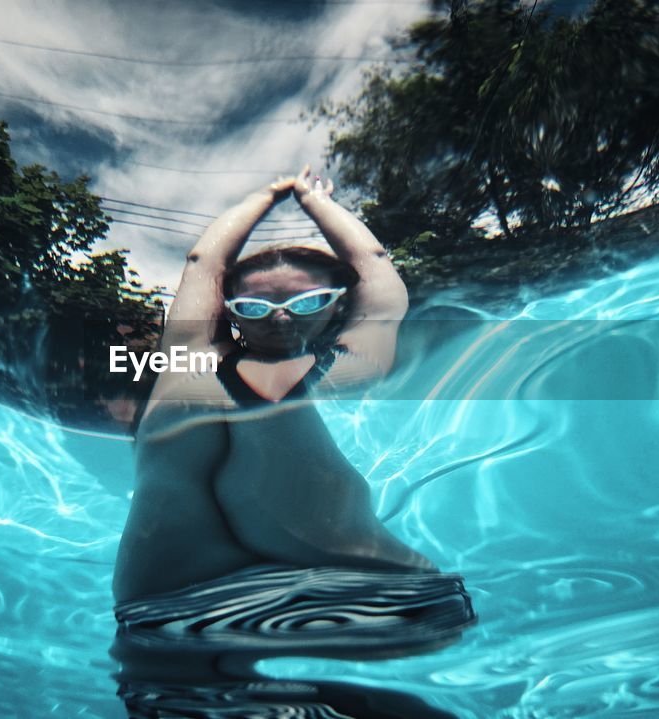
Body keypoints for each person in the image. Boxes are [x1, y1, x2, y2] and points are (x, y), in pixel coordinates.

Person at [111, 167, 474, 663]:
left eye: (307, 302)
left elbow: (206, 262)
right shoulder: (344, 369)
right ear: (231, 311)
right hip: (364, 599)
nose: (282, 317)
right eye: (258, 306)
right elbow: (372, 269)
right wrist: (305, 198)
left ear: (334, 307)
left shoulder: (187, 363)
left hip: (174, 611)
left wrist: (276, 195)